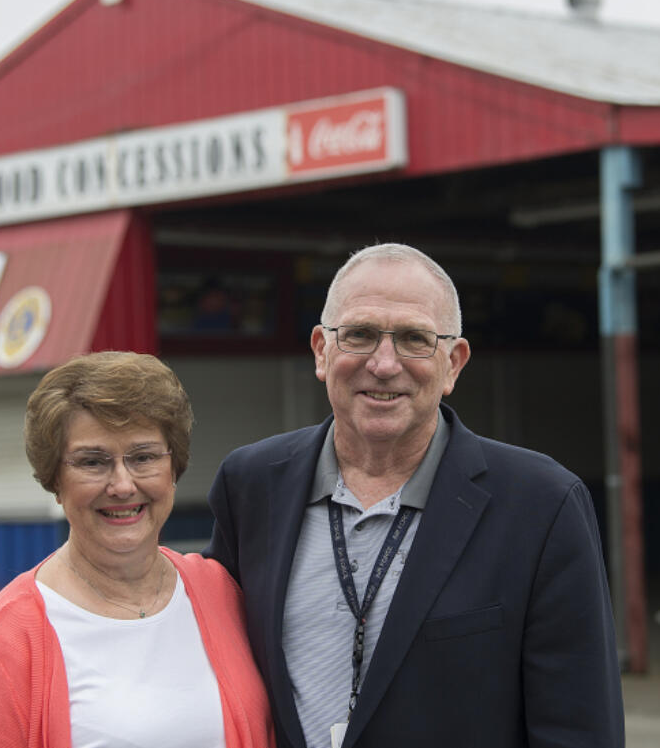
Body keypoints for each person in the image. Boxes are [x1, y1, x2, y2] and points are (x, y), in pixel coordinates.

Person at [206, 244, 624, 748]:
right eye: (359, 334)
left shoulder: (543, 505)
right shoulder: (250, 485)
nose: (384, 364)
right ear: (321, 350)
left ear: (453, 363)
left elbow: (580, 730)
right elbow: (215, 673)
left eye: (413, 339)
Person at [0, 351, 274, 748]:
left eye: (143, 457)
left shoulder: (219, 590)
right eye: (92, 462)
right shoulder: (3, 641)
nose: (122, 485)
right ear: (55, 480)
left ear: (174, 470)